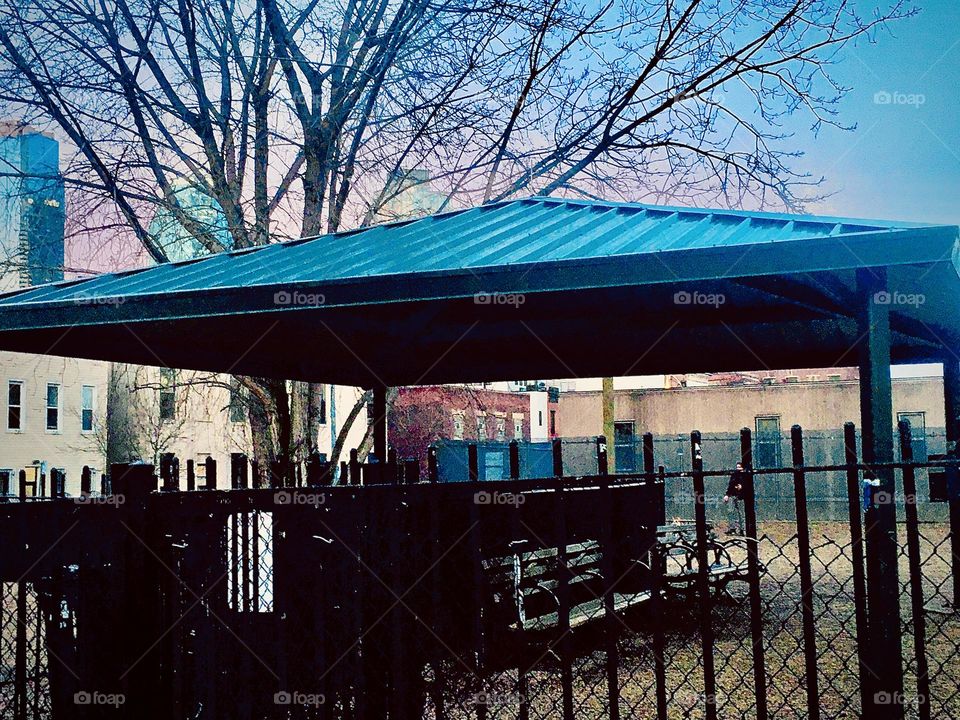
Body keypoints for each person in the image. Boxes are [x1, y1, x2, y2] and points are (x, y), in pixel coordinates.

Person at [723, 462, 747, 535]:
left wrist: (742, 486)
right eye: (737, 467)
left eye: (739, 467)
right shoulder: (734, 475)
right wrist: (727, 495)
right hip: (732, 495)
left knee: (741, 514)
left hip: (740, 497)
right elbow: (731, 485)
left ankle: (742, 530)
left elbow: (747, 486)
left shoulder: (746, 476)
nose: (738, 469)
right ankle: (732, 528)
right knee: (730, 512)